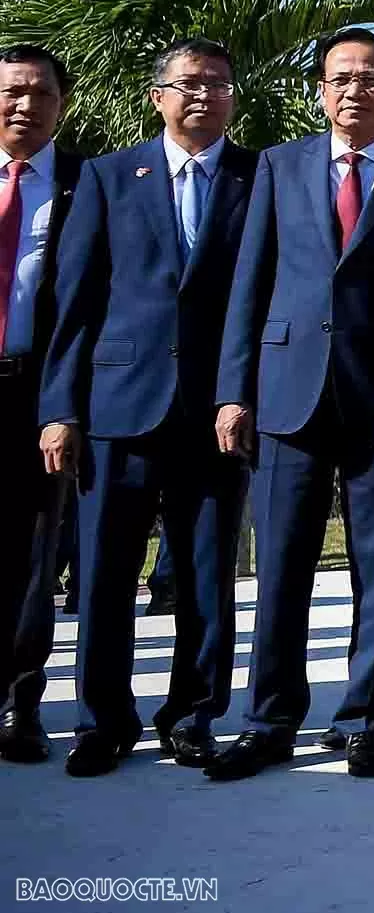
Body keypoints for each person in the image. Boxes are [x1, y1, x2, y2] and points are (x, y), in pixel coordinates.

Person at [208, 28, 374, 781]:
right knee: (280, 568)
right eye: (339, 77)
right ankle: (269, 719)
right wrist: (234, 389)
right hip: (287, 397)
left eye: (370, 78)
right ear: (321, 89)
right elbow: (248, 285)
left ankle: (367, 719)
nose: (354, 89)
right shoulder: (278, 166)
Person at [38, 38, 253, 774]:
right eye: (189, 83)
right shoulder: (106, 176)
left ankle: (193, 714)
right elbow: (77, 298)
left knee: (204, 573)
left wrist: (241, 392)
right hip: (117, 405)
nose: (204, 96)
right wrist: (60, 406)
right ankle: (103, 720)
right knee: (103, 571)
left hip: (217, 413)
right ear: (157, 94)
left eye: (219, 84)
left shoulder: (259, 179)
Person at [0, 45, 83, 764]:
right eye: (13, 91)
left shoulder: (87, 186)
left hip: (38, 388)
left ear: (62, 103)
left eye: (40, 93)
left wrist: (65, 404)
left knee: (35, 553)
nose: (25, 104)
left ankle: (22, 701)